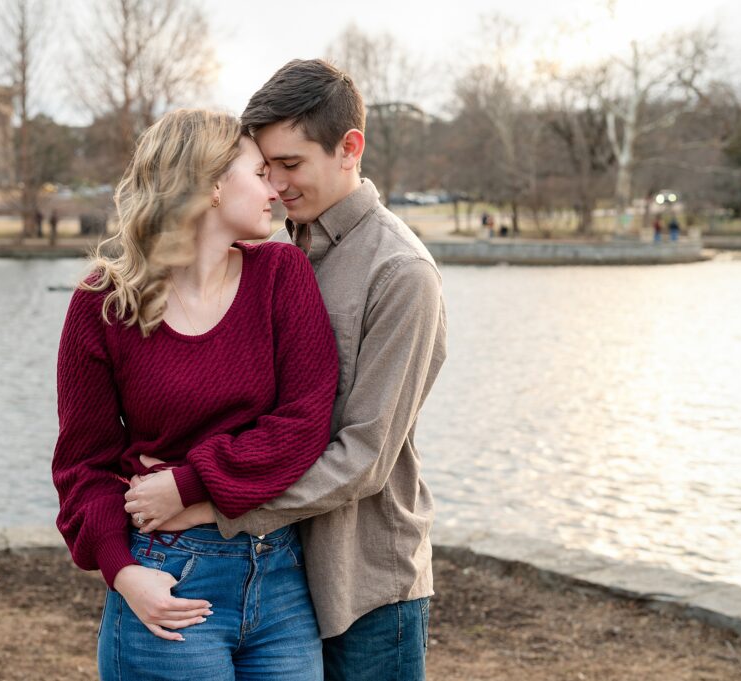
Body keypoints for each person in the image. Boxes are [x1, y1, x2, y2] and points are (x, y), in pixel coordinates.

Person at [128, 60, 448, 681]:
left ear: (349, 148)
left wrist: (213, 505)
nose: (274, 182)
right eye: (264, 165)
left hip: (365, 585)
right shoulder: (271, 255)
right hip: (272, 582)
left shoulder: (400, 274)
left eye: (291, 165)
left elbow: (364, 456)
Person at [52, 109, 339, 680]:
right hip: (168, 580)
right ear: (210, 186)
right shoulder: (103, 303)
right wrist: (123, 573)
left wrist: (186, 481)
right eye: (259, 173)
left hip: (280, 579)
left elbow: (304, 425)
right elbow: (83, 465)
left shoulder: (283, 274)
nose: (276, 189)